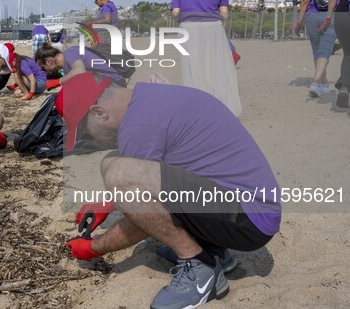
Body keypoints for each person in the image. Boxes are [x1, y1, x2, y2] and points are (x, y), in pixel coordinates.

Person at [62, 73, 281, 308]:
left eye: (86, 133)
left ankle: (199, 266)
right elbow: (158, 179)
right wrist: (106, 204)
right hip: (246, 206)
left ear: (98, 112)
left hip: (249, 221)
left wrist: (94, 248)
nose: (93, 141)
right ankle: (214, 251)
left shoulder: (138, 126)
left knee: (119, 173)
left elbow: (141, 215)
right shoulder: (147, 99)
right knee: (112, 163)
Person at [171, 0, 241, 117]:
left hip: (188, 29)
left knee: (193, 71)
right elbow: (224, 14)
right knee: (217, 69)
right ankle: (225, 109)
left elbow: (175, 12)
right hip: (213, 28)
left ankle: (198, 112)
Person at [294, 0, 337, 98]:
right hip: (331, 16)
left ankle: (319, 82)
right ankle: (320, 82)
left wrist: (299, 20)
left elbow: (305, 0)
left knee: (317, 50)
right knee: (324, 51)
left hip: (312, 16)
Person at [35, 45, 126, 88]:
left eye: (43, 69)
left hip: (115, 83)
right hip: (107, 83)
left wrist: (58, 81)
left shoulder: (70, 53)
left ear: (48, 61)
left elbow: (80, 72)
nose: (46, 72)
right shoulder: (67, 68)